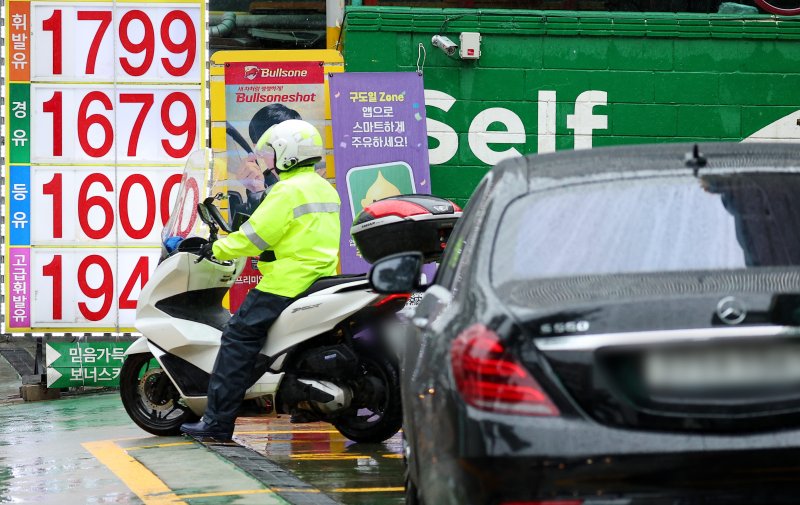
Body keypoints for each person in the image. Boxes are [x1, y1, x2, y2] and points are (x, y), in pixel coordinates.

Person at [180, 119, 341, 441]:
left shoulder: (287, 190)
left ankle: (217, 423)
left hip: (287, 282)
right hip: (321, 277)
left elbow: (255, 237)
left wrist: (217, 247)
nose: (268, 159)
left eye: (272, 152)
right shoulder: (324, 187)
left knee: (238, 339)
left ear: (287, 153)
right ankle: (303, 405)